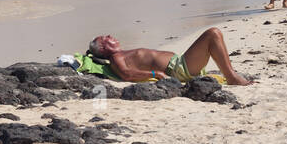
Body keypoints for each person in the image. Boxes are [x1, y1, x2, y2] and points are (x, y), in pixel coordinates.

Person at [88, 27, 252, 86]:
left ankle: (231, 74)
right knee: (213, 34)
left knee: (215, 35)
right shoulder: (117, 59)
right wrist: (155, 74)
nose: (110, 35)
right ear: (103, 48)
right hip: (178, 69)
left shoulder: (122, 54)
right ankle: (231, 77)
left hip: (180, 64)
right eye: (105, 38)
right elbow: (126, 74)